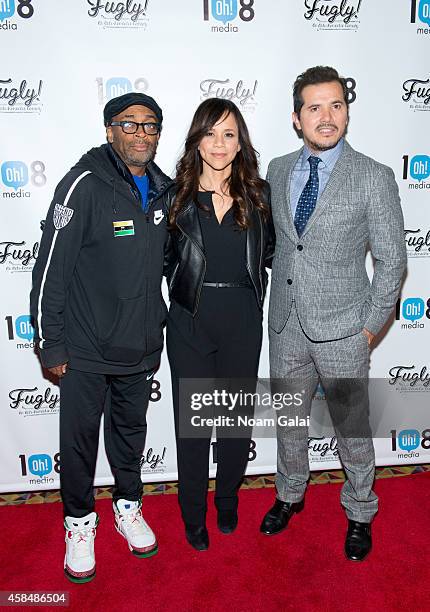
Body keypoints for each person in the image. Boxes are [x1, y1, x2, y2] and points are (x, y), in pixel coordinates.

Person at [260, 66, 407, 561]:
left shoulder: (373, 175)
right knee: (289, 421)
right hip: (284, 323)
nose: (327, 117)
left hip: (345, 328)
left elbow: (393, 260)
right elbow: (283, 246)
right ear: (297, 118)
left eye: (336, 105)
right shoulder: (278, 169)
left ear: (347, 110)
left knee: (352, 427)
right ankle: (289, 494)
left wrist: (369, 327)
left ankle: (361, 510)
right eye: (314, 107)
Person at [30, 92, 173, 582]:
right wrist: (52, 342)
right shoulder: (83, 185)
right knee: (79, 442)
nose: (141, 133)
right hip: (86, 347)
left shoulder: (163, 189)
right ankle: (78, 523)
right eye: (129, 124)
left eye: (150, 125)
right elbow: (49, 268)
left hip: (140, 345)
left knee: (131, 435)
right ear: (109, 129)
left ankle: (128, 507)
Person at [165, 98, 275, 551]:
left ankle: (227, 500)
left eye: (229, 134)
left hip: (242, 319)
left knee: (234, 423)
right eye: (210, 133)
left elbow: (273, 258)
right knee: (193, 427)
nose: (219, 144)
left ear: (240, 142)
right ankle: (193, 513)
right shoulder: (176, 196)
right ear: (197, 138)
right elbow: (157, 262)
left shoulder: (260, 194)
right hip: (191, 319)